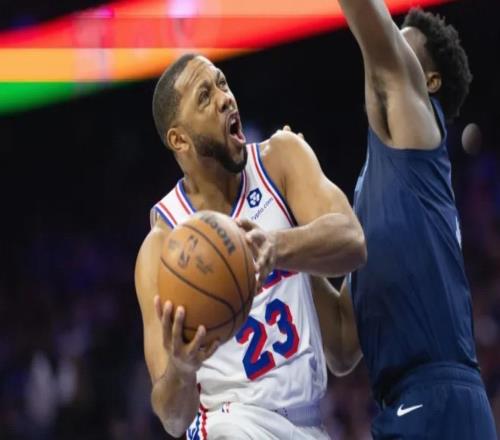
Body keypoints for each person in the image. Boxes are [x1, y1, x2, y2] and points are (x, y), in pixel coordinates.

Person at [134, 53, 366, 439]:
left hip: (309, 421)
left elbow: (353, 241)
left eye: (222, 83)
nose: (225, 98)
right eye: (205, 97)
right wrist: (182, 368)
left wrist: (277, 245)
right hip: (229, 421)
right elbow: (172, 419)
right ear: (179, 139)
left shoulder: (281, 160)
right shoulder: (161, 246)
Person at [335, 2, 497, 438]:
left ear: (429, 81)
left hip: (438, 396)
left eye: (401, 48)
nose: (384, 53)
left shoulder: (419, 129)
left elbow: (370, 24)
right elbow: (342, 346)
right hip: (405, 403)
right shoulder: (372, 194)